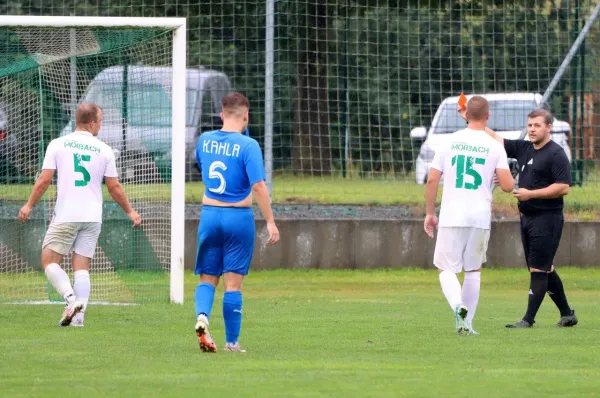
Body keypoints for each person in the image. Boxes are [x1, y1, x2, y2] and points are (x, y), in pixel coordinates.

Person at [18, 103, 141, 327]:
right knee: (81, 266)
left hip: (67, 213)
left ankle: (72, 300)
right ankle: (79, 320)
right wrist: (130, 212)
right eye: (100, 122)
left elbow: (44, 180)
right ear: (92, 123)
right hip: (93, 216)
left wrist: (29, 205)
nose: (101, 126)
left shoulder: (58, 144)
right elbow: (114, 187)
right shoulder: (104, 149)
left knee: (48, 261)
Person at [194, 92, 280, 353]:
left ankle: (202, 317)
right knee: (233, 283)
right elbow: (258, 186)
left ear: (221, 114)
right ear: (246, 116)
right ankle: (232, 342)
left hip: (209, 215)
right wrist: (270, 221)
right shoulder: (248, 145)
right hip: (238, 218)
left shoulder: (204, 140)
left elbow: (203, 168)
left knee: (207, 278)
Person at [424, 96, 514, 335]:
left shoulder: (449, 142)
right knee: (473, 270)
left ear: (465, 115)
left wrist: (430, 213)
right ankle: (467, 324)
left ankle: (458, 307)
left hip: (452, 214)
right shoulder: (494, 146)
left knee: (446, 269)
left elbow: (433, 179)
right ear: (488, 116)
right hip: (479, 216)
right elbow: (507, 185)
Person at [481, 108, 578, 329]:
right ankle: (567, 314)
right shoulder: (524, 148)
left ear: (548, 128)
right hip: (527, 218)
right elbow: (495, 138)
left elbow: (563, 187)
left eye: (537, 125)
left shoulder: (556, 154)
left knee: (538, 269)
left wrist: (530, 194)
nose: (532, 129)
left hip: (548, 218)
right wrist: (471, 119)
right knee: (544, 268)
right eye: (530, 125)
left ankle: (528, 319)